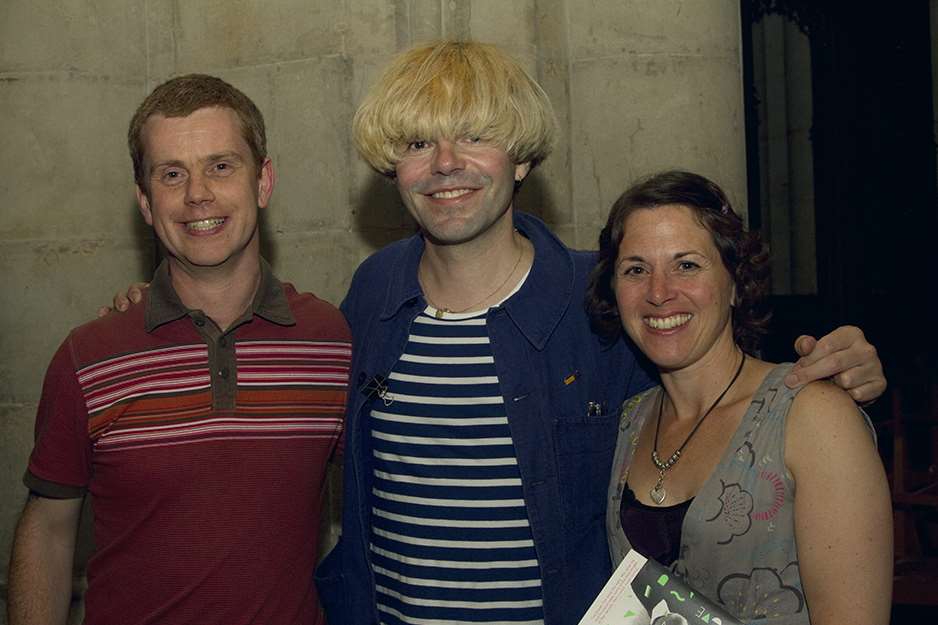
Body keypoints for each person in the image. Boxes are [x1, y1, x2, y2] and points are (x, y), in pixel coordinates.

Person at [105, 42, 887, 625]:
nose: (446, 165)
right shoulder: (371, 297)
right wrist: (166, 298)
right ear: (392, 169)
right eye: (417, 144)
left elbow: (714, 372)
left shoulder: (606, 301)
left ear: (520, 157)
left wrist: (828, 368)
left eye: (474, 135)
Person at [7, 75, 351, 625]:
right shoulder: (88, 356)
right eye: (172, 174)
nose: (197, 195)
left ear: (263, 182)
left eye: (221, 166)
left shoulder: (331, 343)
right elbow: (48, 529)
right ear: (145, 201)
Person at [586, 170, 892, 624]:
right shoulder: (629, 421)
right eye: (635, 270)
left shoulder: (810, 416)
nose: (658, 292)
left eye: (686, 265)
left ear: (734, 282)